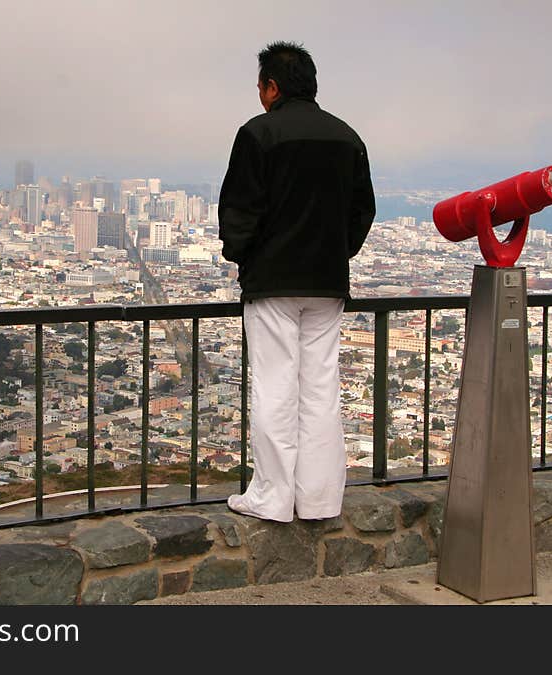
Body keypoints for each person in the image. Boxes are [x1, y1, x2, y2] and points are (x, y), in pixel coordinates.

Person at [218, 41, 375, 522]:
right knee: (320, 389)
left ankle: (272, 496)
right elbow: (361, 212)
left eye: (261, 87)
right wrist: (335, 252)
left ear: (272, 87)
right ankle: (319, 498)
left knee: (275, 387)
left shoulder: (258, 134)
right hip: (326, 283)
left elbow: (239, 211)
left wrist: (242, 254)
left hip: (272, 283)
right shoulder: (347, 138)